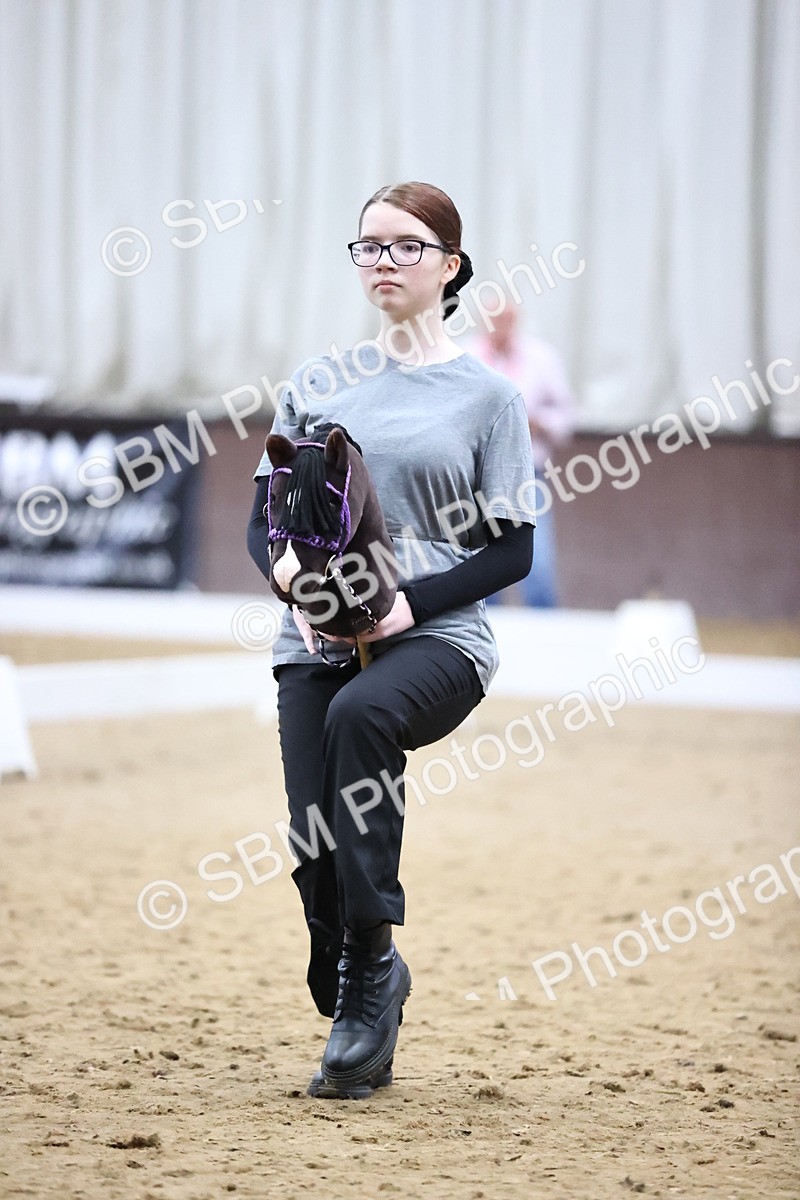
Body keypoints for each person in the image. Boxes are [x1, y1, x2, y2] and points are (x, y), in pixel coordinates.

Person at [246, 181, 536, 1100]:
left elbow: (514, 548)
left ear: (450, 267)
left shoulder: (489, 398)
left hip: (438, 636)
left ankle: (371, 972)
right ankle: (345, 947)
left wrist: (411, 605)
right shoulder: (318, 380)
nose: (382, 261)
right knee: (312, 831)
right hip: (316, 637)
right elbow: (264, 518)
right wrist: (290, 581)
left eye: (405, 246)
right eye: (368, 246)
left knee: (364, 718)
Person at [471, 298, 575, 607]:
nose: (499, 326)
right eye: (493, 319)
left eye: (505, 319)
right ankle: (487, 643)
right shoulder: (465, 357)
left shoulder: (541, 358)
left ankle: (547, 641)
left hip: (529, 476)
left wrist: (538, 424)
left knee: (538, 565)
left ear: (516, 320)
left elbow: (567, 415)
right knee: (482, 567)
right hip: (478, 479)